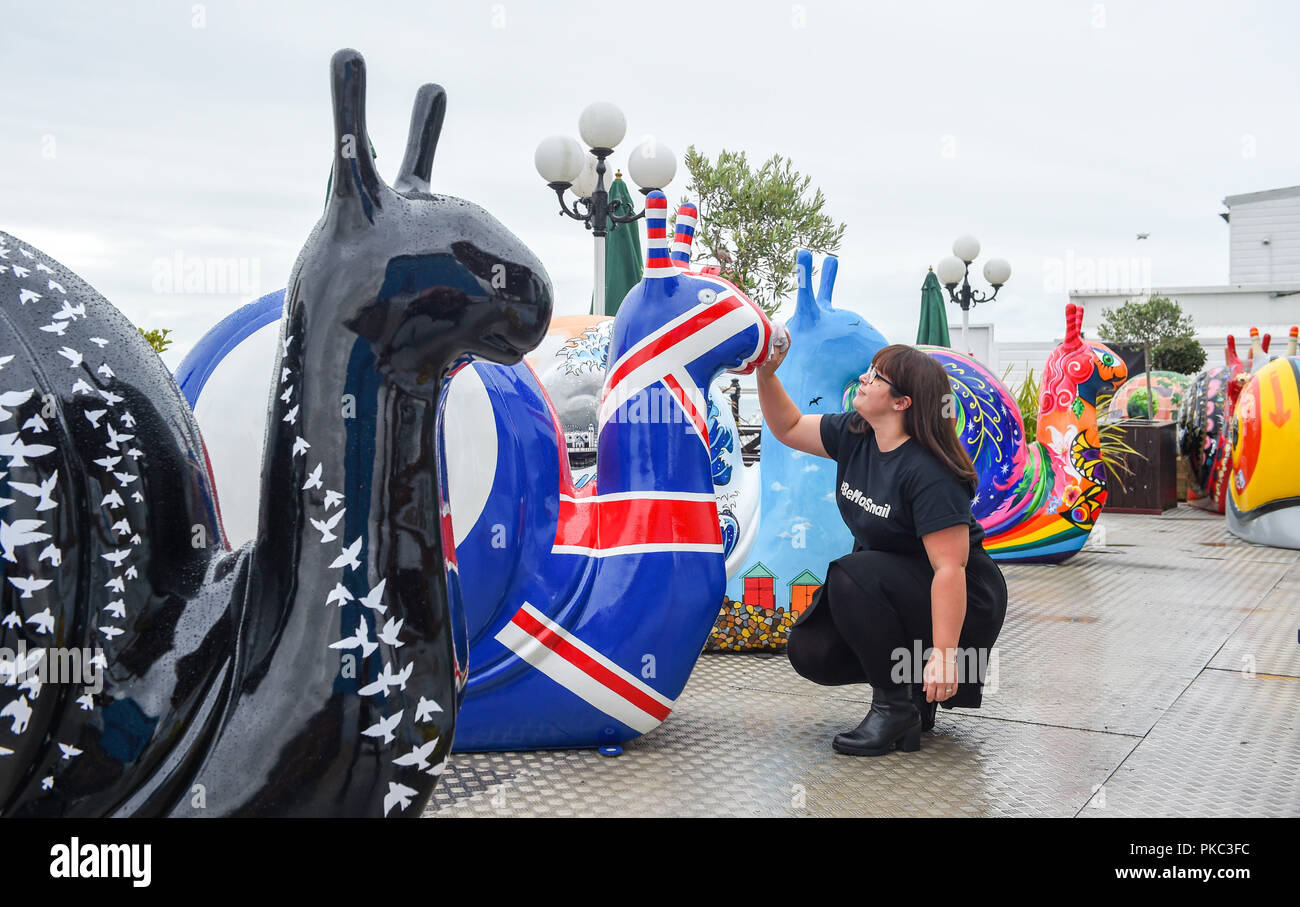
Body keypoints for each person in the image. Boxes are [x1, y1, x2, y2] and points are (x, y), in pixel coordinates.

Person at [757, 340, 1008, 756]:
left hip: (962, 595)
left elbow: (950, 568)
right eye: (868, 370)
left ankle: (893, 709)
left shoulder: (930, 472)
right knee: (811, 649)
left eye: (876, 377)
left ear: (902, 402)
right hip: (898, 588)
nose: (863, 378)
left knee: (852, 574)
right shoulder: (857, 435)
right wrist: (766, 374)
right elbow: (788, 427)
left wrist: (946, 656)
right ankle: (912, 692)